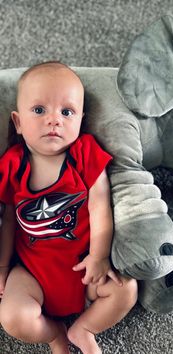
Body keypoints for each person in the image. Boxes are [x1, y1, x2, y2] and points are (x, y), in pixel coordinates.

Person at [0, 61, 137, 354]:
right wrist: (2, 267)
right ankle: (53, 334)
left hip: (83, 267)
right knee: (12, 318)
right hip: (31, 273)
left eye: (67, 112)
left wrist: (99, 256)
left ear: (80, 120)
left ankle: (84, 328)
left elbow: (101, 206)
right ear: (18, 122)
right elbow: (9, 220)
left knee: (126, 289)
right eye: (39, 110)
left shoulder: (84, 153)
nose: (54, 120)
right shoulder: (13, 164)